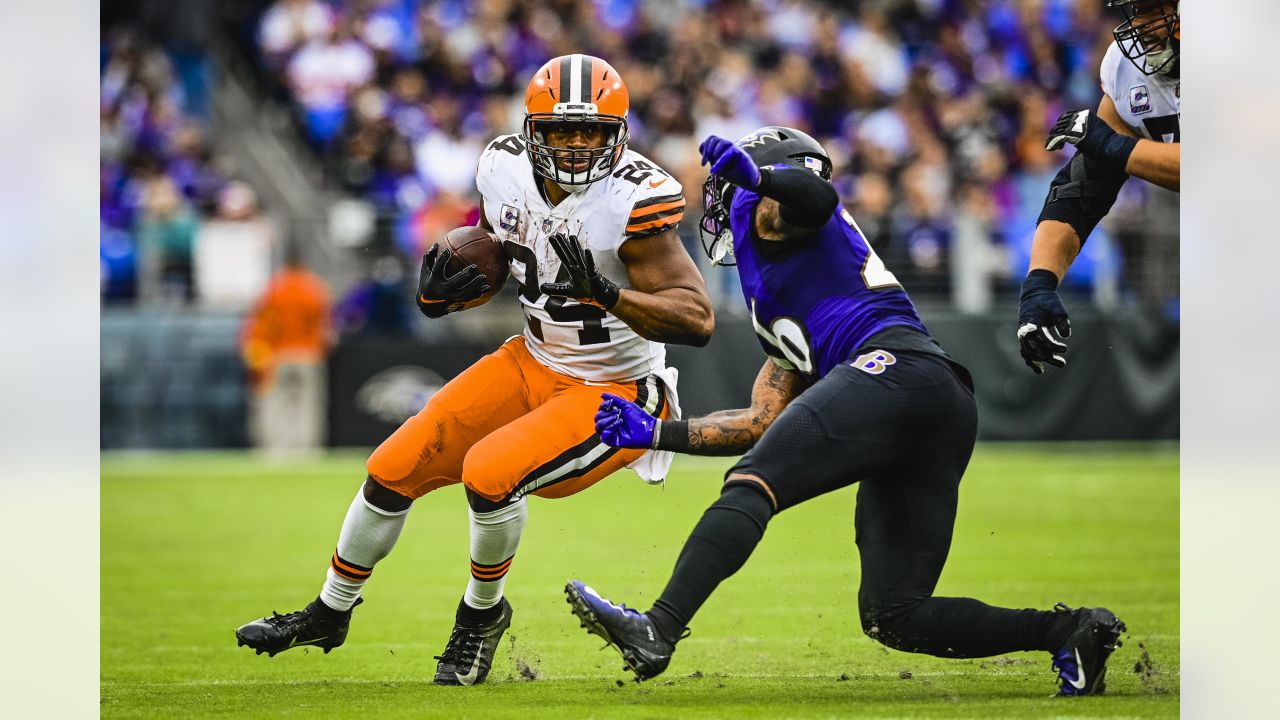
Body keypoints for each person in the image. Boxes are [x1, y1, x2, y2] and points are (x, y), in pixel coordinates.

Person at [566, 127, 1125, 697]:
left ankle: (657, 627)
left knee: (752, 485)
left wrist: (758, 179)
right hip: (937, 399)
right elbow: (759, 422)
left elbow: (816, 201)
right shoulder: (778, 296)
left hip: (894, 368)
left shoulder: (788, 215)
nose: (722, 202)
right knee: (895, 614)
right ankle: (1070, 631)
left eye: (736, 186)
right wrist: (662, 433)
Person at [235, 54, 714, 687]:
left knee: (489, 472)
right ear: (531, 129)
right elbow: (497, 248)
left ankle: (479, 617)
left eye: (590, 132)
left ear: (616, 133)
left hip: (617, 388)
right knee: (392, 466)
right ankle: (330, 610)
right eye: (561, 131)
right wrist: (454, 287)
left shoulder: (634, 198)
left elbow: (697, 318)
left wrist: (606, 292)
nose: (575, 146)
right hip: (533, 357)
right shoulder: (502, 168)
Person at [1017, 0, 1180, 373]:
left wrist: (1108, 143)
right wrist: (1039, 284)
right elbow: (1081, 189)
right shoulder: (1125, 70)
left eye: (1153, 11)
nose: (1139, 25)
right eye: (1135, 12)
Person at [238, 245, 332, 455]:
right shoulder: (314, 287)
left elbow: (260, 323)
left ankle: (274, 449)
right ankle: (307, 449)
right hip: (308, 354)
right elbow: (325, 326)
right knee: (308, 404)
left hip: (278, 355)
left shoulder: (274, 287)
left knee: (275, 403)